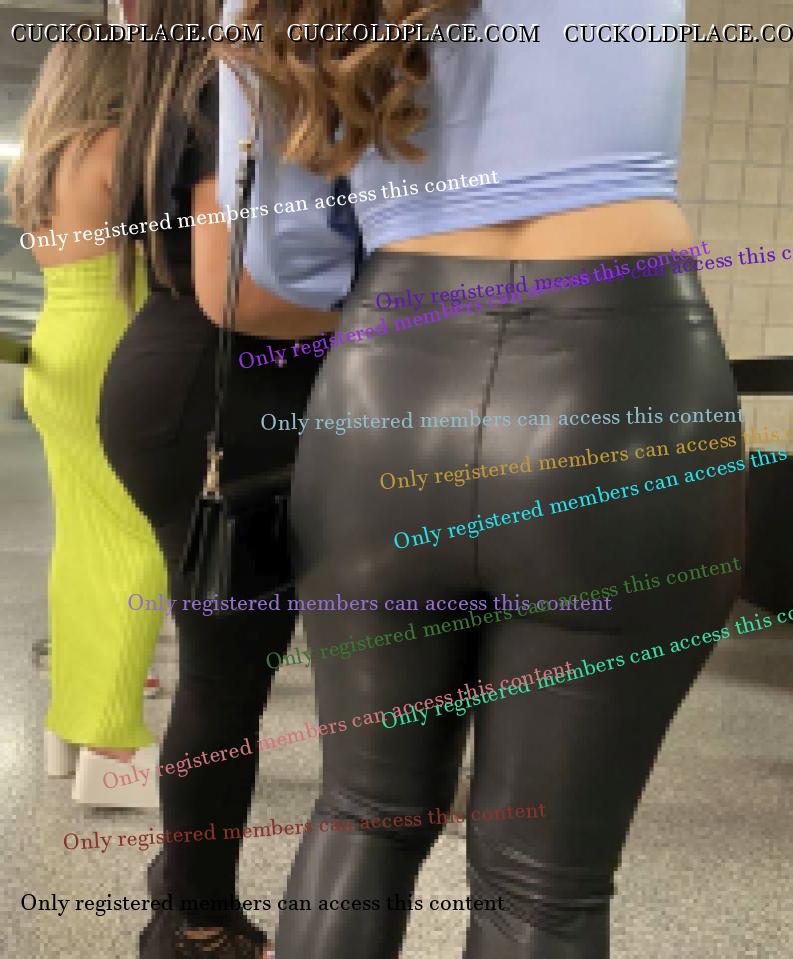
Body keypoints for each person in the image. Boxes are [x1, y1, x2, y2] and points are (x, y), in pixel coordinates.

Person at [208, 1, 746, 955]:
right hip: (621, 379)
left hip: (388, 388)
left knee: (362, 811)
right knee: (543, 887)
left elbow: (281, 259)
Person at [97, 2, 345, 955]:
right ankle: (195, 925)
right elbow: (235, 290)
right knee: (226, 672)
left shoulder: (185, 82)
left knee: (229, 666)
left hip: (195, 385)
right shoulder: (224, 86)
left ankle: (183, 884)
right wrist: (393, 314)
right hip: (219, 394)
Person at [7, 32, 166, 808]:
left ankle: (67, 726)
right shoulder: (116, 148)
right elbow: (175, 258)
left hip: (55, 347)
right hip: (112, 342)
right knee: (141, 538)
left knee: (81, 538)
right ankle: (113, 745)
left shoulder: (39, 165)